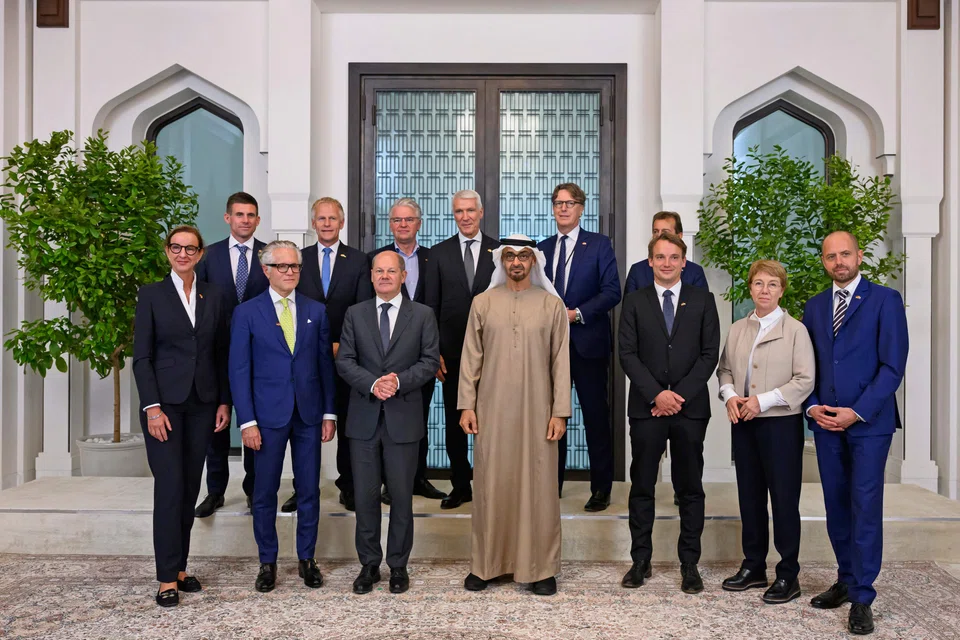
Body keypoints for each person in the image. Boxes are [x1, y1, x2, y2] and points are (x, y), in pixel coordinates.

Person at [802, 231, 908, 636]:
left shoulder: (885, 300)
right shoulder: (813, 308)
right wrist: (813, 406)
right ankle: (846, 578)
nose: (839, 262)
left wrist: (857, 412)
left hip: (869, 424)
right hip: (826, 423)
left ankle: (863, 596)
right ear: (824, 261)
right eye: (831, 256)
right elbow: (805, 365)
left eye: (845, 254)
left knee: (865, 505)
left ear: (859, 255)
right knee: (836, 503)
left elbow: (893, 367)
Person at [458, 234, 570, 596]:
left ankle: (541, 569)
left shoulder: (552, 306)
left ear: (534, 261)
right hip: (491, 410)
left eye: (524, 256)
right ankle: (486, 565)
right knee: (492, 484)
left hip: (539, 412)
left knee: (538, 487)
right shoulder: (483, 302)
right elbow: (470, 359)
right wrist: (467, 406)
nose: (517, 262)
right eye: (510, 256)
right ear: (501, 262)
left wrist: (560, 412)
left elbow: (561, 363)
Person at [229, 240, 337, 593]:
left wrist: (328, 412)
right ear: (266, 271)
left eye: (295, 267)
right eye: (282, 267)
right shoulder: (247, 313)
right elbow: (238, 370)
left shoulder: (316, 310)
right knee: (264, 493)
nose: (290, 272)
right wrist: (246, 421)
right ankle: (268, 561)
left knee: (309, 490)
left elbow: (324, 366)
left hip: (307, 415)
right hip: (265, 418)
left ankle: (307, 558)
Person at [133, 225, 231, 607]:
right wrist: (152, 407)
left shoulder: (214, 295)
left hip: (203, 403)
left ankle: (180, 568)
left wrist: (224, 401)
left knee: (191, 487)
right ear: (167, 251)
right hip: (165, 408)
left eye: (191, 248)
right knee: (170, 488)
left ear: (201, 254)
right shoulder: (152, 295)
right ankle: (164, 578)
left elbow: (220, 352)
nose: (183, 254)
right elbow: (142, 357)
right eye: (176, 247)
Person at [618, 231, 719, 594]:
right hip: (647, 409)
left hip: (690, 410)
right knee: (642, 486)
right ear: (650, 262)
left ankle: (689, 564)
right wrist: (657, 395)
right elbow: (627, 354)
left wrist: (678, 396)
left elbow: (710, 354)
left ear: (683, 262)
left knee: (690, 488)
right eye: (660, 257)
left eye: (673, 257)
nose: (666, 263)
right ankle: (640, 561)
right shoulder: (634, 301)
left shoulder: (703, 299)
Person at [336, 251, 440, 595]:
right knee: (365, 498)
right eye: (378, 271)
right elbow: (345, 360)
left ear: (403, 275)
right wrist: (372, 383)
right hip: (364, 419)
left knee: (400, 497)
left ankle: (398, 566)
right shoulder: (355, 314)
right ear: (371, 276)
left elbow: (428, 362)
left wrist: (397, 381)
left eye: (390, 271)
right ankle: (369, 565)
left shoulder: (423, 315)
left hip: (403, 419)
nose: (384, 276)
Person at [716, 260, 814, 604]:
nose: (765, 290)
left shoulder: (796, 331)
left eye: (772, 284)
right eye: (758, 284)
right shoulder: (738, 328)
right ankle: (753, 567)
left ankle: (788, 574)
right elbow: (724, 370)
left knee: (784, 500)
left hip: (781, 424)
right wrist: (730, 397)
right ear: (750, 288)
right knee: (751, 497)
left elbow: (804, 381)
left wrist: (763, 401)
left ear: (782, 290)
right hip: (744, 423)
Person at [537, 183, 621, 511]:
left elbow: (612, 291)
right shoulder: (541, 249)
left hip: (587, 344)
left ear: (581, 208)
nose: (563, 208)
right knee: (552, 416)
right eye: (558, 203)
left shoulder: (599, 245)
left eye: (569, 203)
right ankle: (550, 485)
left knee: (595, 417)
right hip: (549, 348)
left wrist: (577, 314)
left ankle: (601, 487)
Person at [296, 197, 374, 512]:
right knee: (304, 424)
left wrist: (343, 342)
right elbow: (293, 304)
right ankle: (303, 487)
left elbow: (362, 308)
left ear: (341, 223)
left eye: (333, 218)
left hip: (347, 356)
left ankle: (348, 485)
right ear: (313, 223)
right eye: (321, 218)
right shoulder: (298, 259)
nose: (327, 223)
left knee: (345, 422)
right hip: (305, 356)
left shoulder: (358, 260)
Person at [194, 192, 269, 517]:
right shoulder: (208, 257)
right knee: (217, 426)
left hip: (259, 354)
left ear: (257, 220)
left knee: (255, 423)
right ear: (228, 218)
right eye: (239, 214)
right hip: (218, 353)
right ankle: (215, 491)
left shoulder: (270, 255)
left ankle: (254, 491)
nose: (245, 220)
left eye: (251, 215)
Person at [423, 189, 500, 510]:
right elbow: (430, 307)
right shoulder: (438, 254)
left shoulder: (500, 252)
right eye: (459, 212)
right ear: (453, 215)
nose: (465, 216)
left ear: (481, 212)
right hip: (452, 355)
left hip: (495, 355)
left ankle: (491, 486)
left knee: (493, 423)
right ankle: (460, 485)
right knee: (456, 422)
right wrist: (434, 351)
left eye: (470, 210)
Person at [368, 197, 447, 503]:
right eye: (397, 220)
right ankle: (389, 481)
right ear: (391, 224)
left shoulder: (434, 258)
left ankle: (417, 478)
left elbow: (440, 305)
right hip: (385, 354)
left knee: (419, 417)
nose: (403, 225)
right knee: (386, 419)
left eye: (409, 219)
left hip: (423, 356)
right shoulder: (376, 259)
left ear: (419, 223)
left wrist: (435, 350)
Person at [624, 211, 709, 294]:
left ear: (679, 236)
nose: (659, 236)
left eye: (665, 232)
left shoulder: (695, 272)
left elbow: (702, 304)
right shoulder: (637, 271)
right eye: (655, 231)